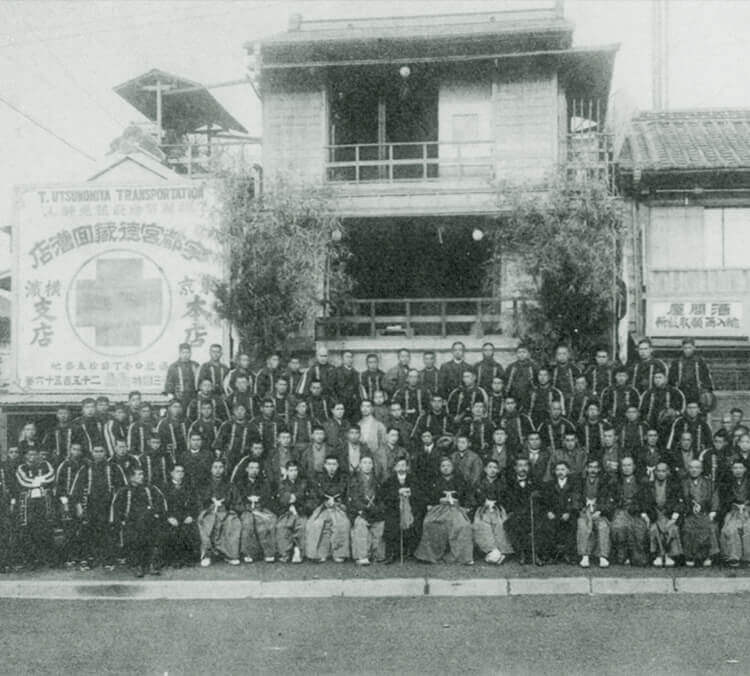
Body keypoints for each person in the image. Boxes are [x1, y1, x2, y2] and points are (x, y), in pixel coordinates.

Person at [71, 445, 125, 571]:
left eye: (101, 451)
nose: (99, 454)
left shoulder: (114, 467)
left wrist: (118, 507)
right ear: (92, 453)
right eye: (96, 451)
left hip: (109, 506)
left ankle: (108, 560)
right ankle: (88, 560)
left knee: (108, 532)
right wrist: (79, 507)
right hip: (91, 505)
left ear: (105, 452)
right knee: (88, 532)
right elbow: (76, 489)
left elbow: (122, 488)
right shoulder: (85, 468)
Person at [415, 456, 474, 565]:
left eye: (448, 466)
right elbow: (428, 496)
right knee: (429, 523)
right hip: (439, 509)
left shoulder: (460, 480)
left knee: (462, 525)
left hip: (456, 509)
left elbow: (468, 495)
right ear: (439, 468)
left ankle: (460, 556)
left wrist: (466, 506)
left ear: (453, 467)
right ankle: (431, 555)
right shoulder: (434, 480)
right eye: (443, 466)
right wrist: (434, 502)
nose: (446, 468)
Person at [110, 467, 166, 577]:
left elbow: (161, 502)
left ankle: (152, 564)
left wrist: (157, 514)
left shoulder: (150, 489)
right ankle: (137, 565)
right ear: (131, 477)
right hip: (131, 522)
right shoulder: (124, 491)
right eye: (138, 474)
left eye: (142, 474)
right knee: (134, 539)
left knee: (153, 538)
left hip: (150, 521)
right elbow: (116, 508)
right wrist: (120, 521)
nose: (142, 477)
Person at [196, 459, 242, 567]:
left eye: (220, 467)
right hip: (209, 511)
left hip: (225, 511)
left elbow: (236, 501)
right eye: (215, 467)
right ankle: (207, 555)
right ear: (211, 469)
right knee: (207, 522)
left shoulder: (230, 485)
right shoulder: (204, 484)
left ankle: (230, 555)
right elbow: (199, 501)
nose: (218, 470)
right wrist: (210, 504)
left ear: (224, 469)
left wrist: (225, 505)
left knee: (233, 523)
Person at [305, 454, 350, 562]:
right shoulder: (318, 478)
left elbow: (346, 494)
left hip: (338, 507)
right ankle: (320, 553)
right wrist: (325, 502)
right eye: (329, 464)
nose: (331, 467)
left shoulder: (343, 478)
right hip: (323, 507)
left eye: (334, 464)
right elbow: (314, 494)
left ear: (338, 465)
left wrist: (337, 502)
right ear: (324, 465)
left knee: (343, 523)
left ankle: (339, 553)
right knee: (317, 524)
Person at [16, 446, 55, 568]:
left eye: (35, 454)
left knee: (45, 528)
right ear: (25, 456)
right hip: (28, 504)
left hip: (44, 502)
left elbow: (51, 476)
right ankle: (31, 560)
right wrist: (40, 481)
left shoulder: (45, 464)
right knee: (29, 529)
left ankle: (47, 558)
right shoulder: (22, 467)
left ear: (39, 454)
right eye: (29, 454)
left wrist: (35, 482)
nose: (32, 457)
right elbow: (24, 481)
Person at [235, 459, 278, 563]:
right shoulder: (240, 483)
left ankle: (269, 552)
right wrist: (248, 503)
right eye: (252, 468)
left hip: (261, 508)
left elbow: (267, 498)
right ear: (246, 469)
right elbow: (238, 500)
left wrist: (259, 501)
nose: (254, 470)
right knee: (248, 522)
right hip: (246, 509)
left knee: (270, 520)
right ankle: (248, 553)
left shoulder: (264, 483)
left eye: (257, 468)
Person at [381, 456, 422, 563]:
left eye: (403, 465)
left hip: (411, 508)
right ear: (394, 468)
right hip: (395, 508)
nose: (401, 467)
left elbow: (420, 493)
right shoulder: (389, 480)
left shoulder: (413, 478)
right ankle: (392, 553)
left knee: (417, 521)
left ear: (407, 467)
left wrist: (410, 492)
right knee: (391, 523)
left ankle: (412, 551)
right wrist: (397, 493)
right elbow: (384, 496)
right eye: (398, 465)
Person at [472, 458, 513, 565]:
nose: (492, 470)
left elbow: (507, 498)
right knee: (482, 525)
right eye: (490, 467)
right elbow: (473, 497)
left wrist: (497, 502)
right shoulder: (479, 483)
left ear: (498, 470)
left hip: (498, 509)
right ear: (485, 469)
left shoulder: (502, 484)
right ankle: (491, 550)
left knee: (500, 525)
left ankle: (500, 551)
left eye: (495, 468)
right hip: (483, 509)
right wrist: (483, 502)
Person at [610, 457, 650, 566]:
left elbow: (646, 500)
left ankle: (636, 556)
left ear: (634, 467)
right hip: (621, 510)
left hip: (637, 511)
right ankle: (621, 554)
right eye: (624, 465)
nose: (626, 468)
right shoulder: (616, 482)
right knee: (618, 527)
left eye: (629, 465)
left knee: (638, 528)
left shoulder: (641, 482)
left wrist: (642, 512)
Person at [504, 457, 544, 565]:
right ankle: (521, 553)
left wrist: (535, 497)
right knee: (513, 524)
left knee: (538, 524)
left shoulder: (535, 481)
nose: (523, 468)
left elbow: (541, 500)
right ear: (515, 468)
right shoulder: (509, 482)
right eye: (520, 466)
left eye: (525, 465)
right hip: (516, 513)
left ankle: (535, 553)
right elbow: (507, 500)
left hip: (532, 512)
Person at [348, 454, 385, 565]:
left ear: (373, 465)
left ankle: (376, 554)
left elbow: (382, 498)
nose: (367, 465)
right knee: (360, 524)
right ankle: (362, 556)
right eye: (364, 463)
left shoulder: (377, 480)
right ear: (360, 465)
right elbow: (353, 498)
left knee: (380, 524)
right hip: (360, 511)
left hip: (374, 510)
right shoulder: (354, 480)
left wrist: (378, 509)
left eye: (369, 463)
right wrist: (362, 509)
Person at [644, 461, 683, 568]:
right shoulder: (649, 486)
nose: (661, 473)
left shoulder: (674, 486)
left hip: (668, 515)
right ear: (655, 472)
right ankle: (660, 555)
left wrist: (674, 518)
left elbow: (680, 503)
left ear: (668, 472)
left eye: (663, 471)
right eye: (658, 471)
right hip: (655, 515)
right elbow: (644, 503)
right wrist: (647, 516)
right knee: (654, 529)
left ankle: (669, 554)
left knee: (672, 528)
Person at [681, 459, 719, 567]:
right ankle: (690, 556)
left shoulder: (709, 483)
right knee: (687, 528)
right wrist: (687, 508)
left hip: (705, 512)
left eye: (697, 467)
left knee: (709, 527)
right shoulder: (683, 483)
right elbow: (680, 500)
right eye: (692, 467)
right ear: (688, 469)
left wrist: (713, 511)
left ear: (701, 469)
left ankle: (706, 556)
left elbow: (714, 498)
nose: (694, 470)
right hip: (689, 513)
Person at [541, 461, 580, 564]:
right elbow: (545, 501)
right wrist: (548, 511)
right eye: (558, 470)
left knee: (572, 526)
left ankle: (569, 555)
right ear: (554, 471)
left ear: (568, 471)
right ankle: (551, 555)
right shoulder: (550, 484)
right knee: (548, 526)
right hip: (554, 513)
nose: (560, 472)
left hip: (568, 513)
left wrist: (569, 512)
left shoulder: (574, 484)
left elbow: (575, 499)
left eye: (563, 469)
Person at [55, 442, 87, 567]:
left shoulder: (85, 465)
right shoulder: (63, 465)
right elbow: (58, 485)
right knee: (69, 529)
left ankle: (81, 556)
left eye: (79, 449)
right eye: (74, 449)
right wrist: (64, 502)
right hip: (67, 502)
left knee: (82, 529)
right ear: (70, 450)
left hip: (82, 500)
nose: (76, 452)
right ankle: (69, 557)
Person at [577, 459, 612, 568]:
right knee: (583, 525)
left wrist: (600, 510)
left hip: (599, 513)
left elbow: (608, 500)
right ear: (586, 468)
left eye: (595, 467)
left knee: (603, 526)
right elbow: (576, 497)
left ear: (599, 469)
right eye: (590, 467)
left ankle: (602, 556)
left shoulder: (605, 482)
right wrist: (582, 509)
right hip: (584, 512)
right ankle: (585, 556)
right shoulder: (580, 481)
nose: (593, 470)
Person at [163, 463, 200, 567]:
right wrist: (168, 517)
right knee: (172, 530)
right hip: (170, 517)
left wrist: (191, 516)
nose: (180, 474)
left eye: (182, 471)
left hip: (185, 516)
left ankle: (187, 558)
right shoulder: (165, 487)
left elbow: (195, 504)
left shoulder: (189, 487)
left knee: (188, 528)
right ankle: (175, 559)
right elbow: (160, 505)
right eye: (177, 471)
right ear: (171, 473)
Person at [275, 460, 309, 563]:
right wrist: (288, 500)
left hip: (300, 511)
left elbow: (308, 498)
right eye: (291, 470)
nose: (293, 473)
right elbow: (280, 499)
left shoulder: (304, 483)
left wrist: (297, 498)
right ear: (286, 471)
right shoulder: (282, 484)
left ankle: (299, 551)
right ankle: (285, 553)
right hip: (286, 512)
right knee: (282, 527)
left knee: (302, 526)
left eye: (295, 470)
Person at [668, 338, 715, 412]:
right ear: (682, 348)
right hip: (682, 391)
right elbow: (671, 378)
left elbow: (706, 377)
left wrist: (706, 390)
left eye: (689, 347)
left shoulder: (699, 361)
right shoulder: (677, 362)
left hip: (696, 392)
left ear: (694, 347)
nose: (687, 350)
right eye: (685, 348)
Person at [719, 459, 750, 567]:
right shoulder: (726, 483)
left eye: (740, 468)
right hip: (733, 511)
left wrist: (746, 505)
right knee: (730, 530)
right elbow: (723, 501)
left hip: (748, 511)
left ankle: (747, 558)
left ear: (745, 469)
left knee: (748, 528)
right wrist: (734, 505)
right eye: (735, 468)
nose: (738, 470)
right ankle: (733, 557)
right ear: (732, 470)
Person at [217, 403, 257, 469]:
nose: (239, 412)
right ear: (233, 412)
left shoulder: (252, 427)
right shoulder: (227, 425)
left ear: (246, 411)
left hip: (245, 457)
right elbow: (219, 443)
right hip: (229, 458)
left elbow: (256, 444)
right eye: (237, 410)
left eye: (242, 410)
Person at [164, 343, 200, 410]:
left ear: (190, 353)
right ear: (180, 353)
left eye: (187, 352)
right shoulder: (173, 366)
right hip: (179, 398)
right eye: (183, 352)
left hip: (194, 398)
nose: (185, 355)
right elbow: (169, 383)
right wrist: (172, 397)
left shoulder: (195, 365)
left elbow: (200, 381)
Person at [505, 344, 538, 413]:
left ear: (528, 353)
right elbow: (507, 383)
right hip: (514, 398)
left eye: (524, 352)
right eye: (519, 352)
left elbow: (537, 383)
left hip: (528, 398)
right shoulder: (511, 367)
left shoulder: (533, 367)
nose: (521, 354)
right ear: (516, 354)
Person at [333, 350, 361, 420]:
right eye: (347, 357)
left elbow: (357, 390)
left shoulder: (356, 373)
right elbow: (332, 388)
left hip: (353, 405)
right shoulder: (336, 371)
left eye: (351, 357)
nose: (349, 359)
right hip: (341, 404)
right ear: (342, 359)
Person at [551, 345, 580, 411]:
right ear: (556, 356)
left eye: (564, 354)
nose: (562, 356)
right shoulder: (551, 370)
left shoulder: (575, 369)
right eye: (559, 354)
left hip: (571, 399)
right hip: (556, 400)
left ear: (568, 355)